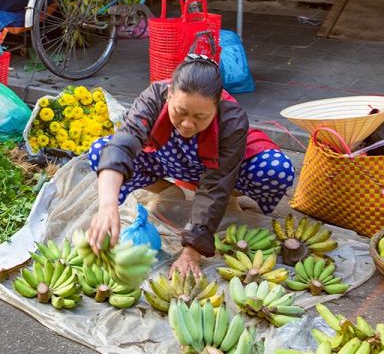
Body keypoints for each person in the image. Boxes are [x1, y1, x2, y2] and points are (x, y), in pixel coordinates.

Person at [86, 44, 295, 277]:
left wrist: (192, 251)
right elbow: (124, 144)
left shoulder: (232, 119)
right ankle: (168, 193)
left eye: (200, 117)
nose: (187, 124)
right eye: (180, 111)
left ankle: (229, 202)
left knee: (277, 169)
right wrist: (107, 206)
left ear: (216, 107)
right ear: (169, 95)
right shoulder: (153, 98)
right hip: (168, 160)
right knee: (100, 151)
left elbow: (217, 183)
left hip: (217, 171)